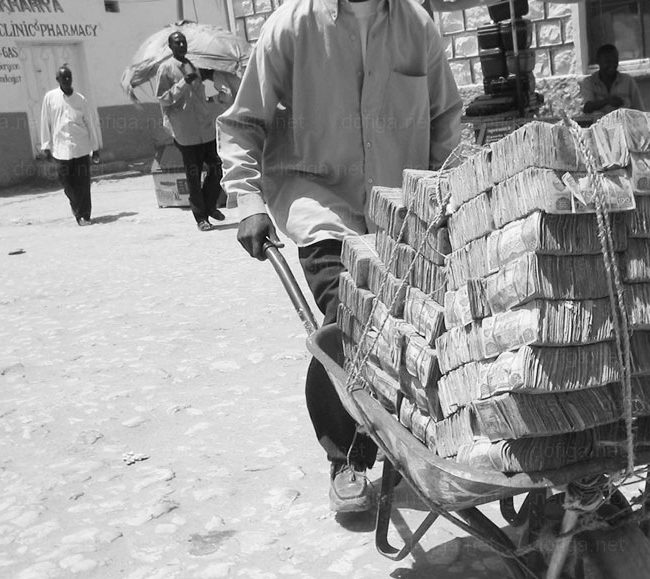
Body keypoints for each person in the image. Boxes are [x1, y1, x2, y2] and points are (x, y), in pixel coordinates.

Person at [217, 0, 462, 513]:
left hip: (399, 208)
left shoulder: (416, 24)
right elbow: (243, 122)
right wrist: (247, 198)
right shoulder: (292, 25)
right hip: (319, 201)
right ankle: (347, 454)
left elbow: (445, 117)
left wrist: (441, 193)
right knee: (348, 318)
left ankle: (416, 431)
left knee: (423, 323)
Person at [156, 31, 225, 232]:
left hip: (205, 127)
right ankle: (201, 217)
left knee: (218, 167)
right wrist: (183, 82)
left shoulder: (192, 64)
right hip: (185, 131)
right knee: (193, 176)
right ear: (170, 47)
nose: (182, 45)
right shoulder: (165, 69)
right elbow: (163, 98)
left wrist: (216, 94)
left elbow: (203, 92)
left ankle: (209, 204)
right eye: (177, 43)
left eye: (184, 42)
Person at [39, 65, 102, 226]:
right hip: (60, 150)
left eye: (69, 77)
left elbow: (90, 123)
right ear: (57, 80)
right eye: (63, 77)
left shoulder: (80, 99)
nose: (67, 80)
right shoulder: (50, 98)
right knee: (67, 184)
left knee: (83, 183)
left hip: (81, 147)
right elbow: (45, 122)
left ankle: (84, 215)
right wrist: (46, 146)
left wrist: (95, 148)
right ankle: (77, 209)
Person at [579, 44, 644, 116]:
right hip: (599, 125)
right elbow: (587, 108)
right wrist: (607, 101)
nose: (612, 65)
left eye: (615, 61)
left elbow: (639, 110)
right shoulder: (589, 82)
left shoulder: (628, 81)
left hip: (624, 124)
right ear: (598, 61)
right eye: (608, 61)